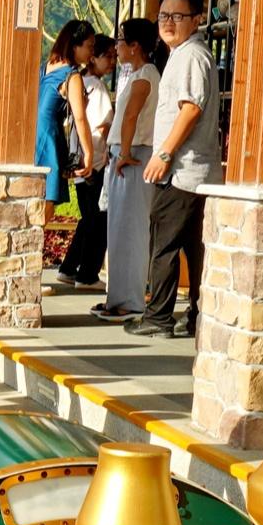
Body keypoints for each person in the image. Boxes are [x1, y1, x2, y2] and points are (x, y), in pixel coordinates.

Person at [138, 0, 224, 334]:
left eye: (178, 15)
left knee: (164, 245)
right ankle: (197, 318)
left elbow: (189, 110)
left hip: (181, 170)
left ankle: (158, 317)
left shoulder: (190, 55)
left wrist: (163, 154)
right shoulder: (186, 53)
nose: (168, 22)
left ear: (197, 19)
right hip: (193, 172)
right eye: (163, 15)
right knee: (193, 249)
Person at [97, 17, 164, 321]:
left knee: (131, 232)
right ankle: (118, 298)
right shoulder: (139, 74)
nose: (117, 46)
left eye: (121, 41)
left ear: (136, 47)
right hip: (127, 156)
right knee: (120, 231)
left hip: (133, 156)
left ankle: (130, 301)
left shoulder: (144, 76)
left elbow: (131, 117)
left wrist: (123, 153)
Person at [61, 31, 122, 288]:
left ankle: (69, 268)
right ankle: (87, 273)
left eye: (113, 56)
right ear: (92, 57)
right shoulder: (95, 86)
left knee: (88, 217)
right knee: (97, 218)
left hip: (80, 158)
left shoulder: (80, 82)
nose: (112, 62)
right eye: (106, 56)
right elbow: (102, 125)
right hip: (94, 160)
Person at [35, 21, 99, 264]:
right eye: (89, 46)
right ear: (75, 45)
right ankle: (34, 273)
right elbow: (81, 118)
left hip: (35, 137)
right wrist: (89, 154)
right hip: (50, 140)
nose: (91, 52)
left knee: (34, 206)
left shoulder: (46, 68)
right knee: (45, 209)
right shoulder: (71, 76)